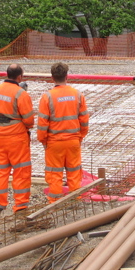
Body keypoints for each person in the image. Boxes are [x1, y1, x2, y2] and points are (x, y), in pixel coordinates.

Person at [0, 64, 36, 219]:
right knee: (21, 172)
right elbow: (29, 120)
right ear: (19, 77)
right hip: (17, 138)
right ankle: (20, 208)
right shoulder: (21, 94)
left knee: (0, 172)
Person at [37, 62, 89, 203]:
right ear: (67, 76)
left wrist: (43, 140)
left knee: (54, 175)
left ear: (52, 78)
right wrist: (80, 136)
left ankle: (54, 204)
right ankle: (75, 201)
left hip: (54, 143)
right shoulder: (77, 95)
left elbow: (42, 123)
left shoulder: (47, 97)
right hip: (73, 141)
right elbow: (84, 119)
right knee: (74, 174)